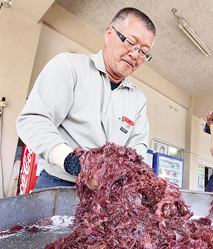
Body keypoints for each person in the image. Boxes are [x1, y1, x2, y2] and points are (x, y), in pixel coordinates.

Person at [16, 7, 156, 190]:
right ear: (109, 34)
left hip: (109, 194)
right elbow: (33, 120)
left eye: (143, 52)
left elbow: (137, 147)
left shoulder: (138, 99)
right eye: (130, 42)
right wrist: (74, 163)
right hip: (60, 184)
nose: (135, 55)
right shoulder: (69, 67)